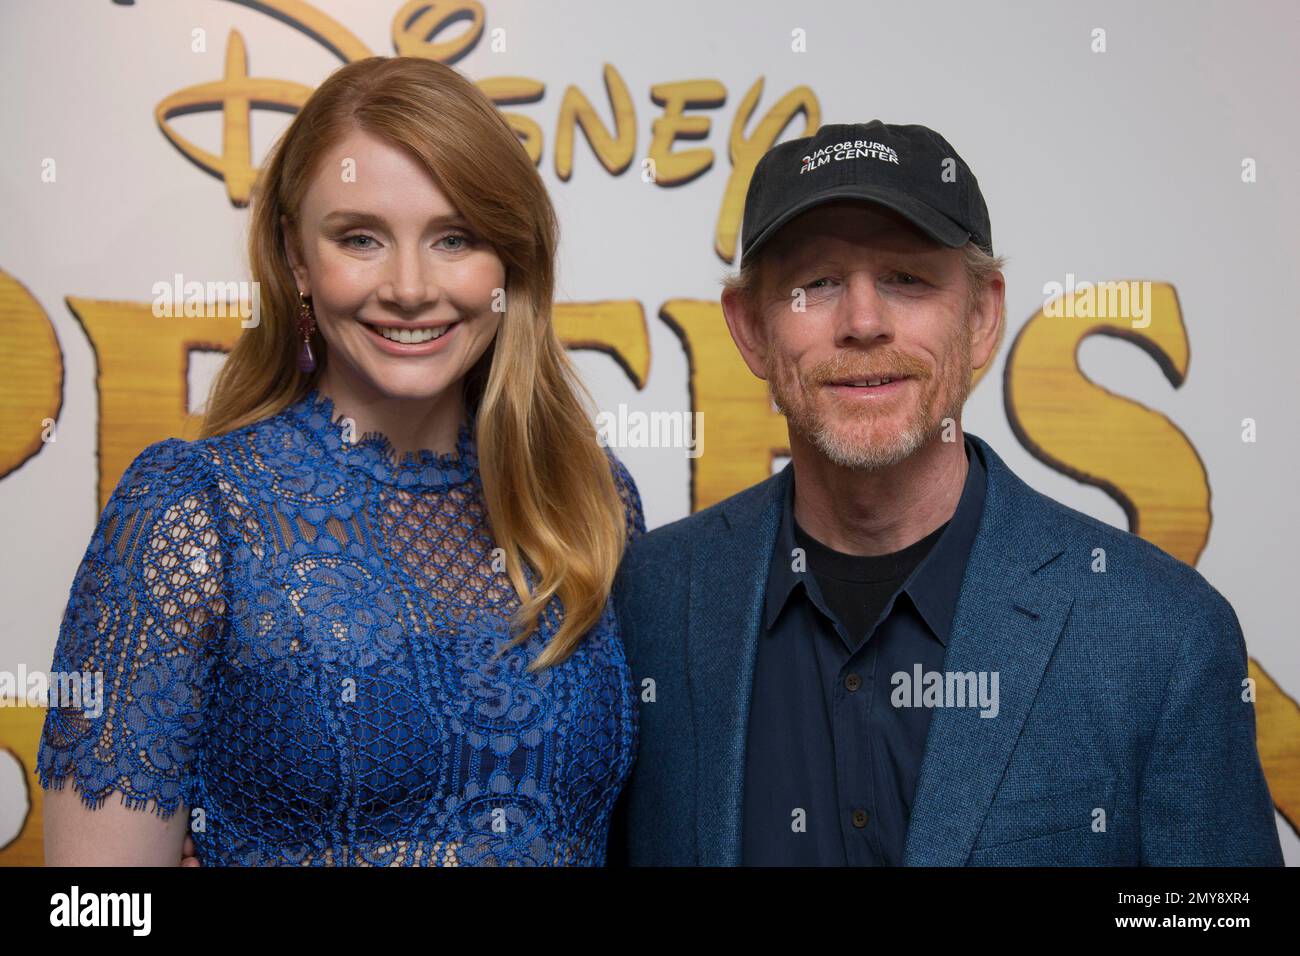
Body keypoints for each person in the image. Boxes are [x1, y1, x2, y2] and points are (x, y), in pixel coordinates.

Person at [607, 120, 1283, 866]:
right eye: (817, 284)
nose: (863, 322)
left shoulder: (1163, 635)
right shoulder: (652, 603)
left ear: (983, 316)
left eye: (907, 278)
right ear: (750, 330)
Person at [39, 55, 644, 866]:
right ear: (295, 257)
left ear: (509, 261)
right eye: (360, 238)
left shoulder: (591, 497)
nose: (408, 286)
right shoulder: (195, 513)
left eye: (454, 237)